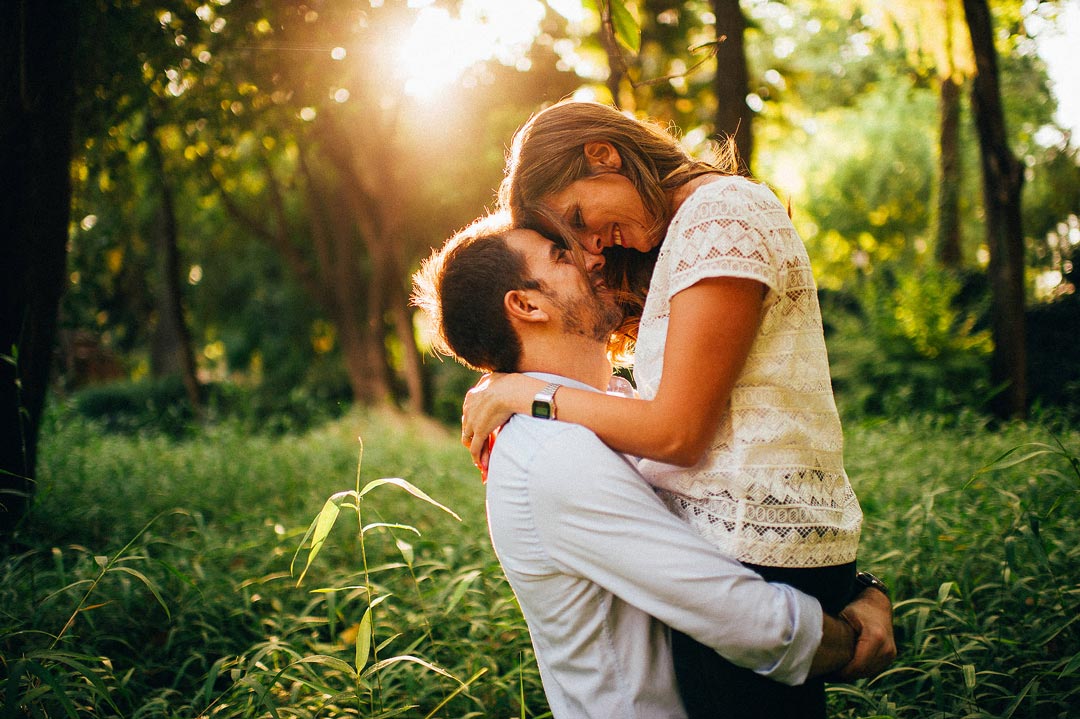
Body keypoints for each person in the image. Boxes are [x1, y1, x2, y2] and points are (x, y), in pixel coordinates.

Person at [460, 101, 877, 718]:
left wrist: (527, 391)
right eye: (568, 245)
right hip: (749, 559)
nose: (593, 250)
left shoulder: (718, 214)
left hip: (755, 557)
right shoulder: (691, 230)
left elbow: (679, 435)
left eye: (579, 220)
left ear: (602, 154)